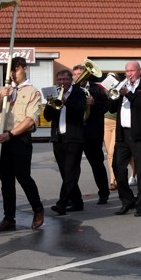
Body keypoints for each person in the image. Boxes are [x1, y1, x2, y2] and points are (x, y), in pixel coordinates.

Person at [0, 56, 45, 231]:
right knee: (6, 181)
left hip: (19, 138)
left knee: (23, 177)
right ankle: (9, 219)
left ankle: (38, 209)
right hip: (2, 137)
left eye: (16, 70)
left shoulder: (33, 92)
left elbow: (30, 120)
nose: (13, 74)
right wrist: (0, 97)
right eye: (10, 70)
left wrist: (11, 134)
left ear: (24, 69)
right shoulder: (4, 89)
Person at [109, 60, 141, 217]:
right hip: (123, 134)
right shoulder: (122, 86)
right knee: (118, 167)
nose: (129, 74)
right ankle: (127, 200)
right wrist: (113, 95)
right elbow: (111, 109)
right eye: (127, 71)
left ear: (139, 71)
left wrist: (128, 94)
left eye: (132, 71)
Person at [48, 68, 88, 216]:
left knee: (71, 171)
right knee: (65, 172)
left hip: (74, 137)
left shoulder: (78, 93)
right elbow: (47, 116)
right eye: (60, 80)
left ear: (71, 80)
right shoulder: (54, 93)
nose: (62, 82)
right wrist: (51, 103)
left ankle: (62, 203)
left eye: (65, 79)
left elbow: (80, 111)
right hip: (58, 137)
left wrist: (66, 102)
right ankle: (77, 202)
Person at [76, 64, 111, 205]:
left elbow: (106, 107)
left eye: (80, 74)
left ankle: (104, 193)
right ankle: (74, 198)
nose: (77, 77)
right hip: (76, 132)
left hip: (93, 133)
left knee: (97, 165)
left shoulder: (97, 89)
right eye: (75, 74)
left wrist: (94, 103)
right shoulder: (71, 89)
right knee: (72, 167)